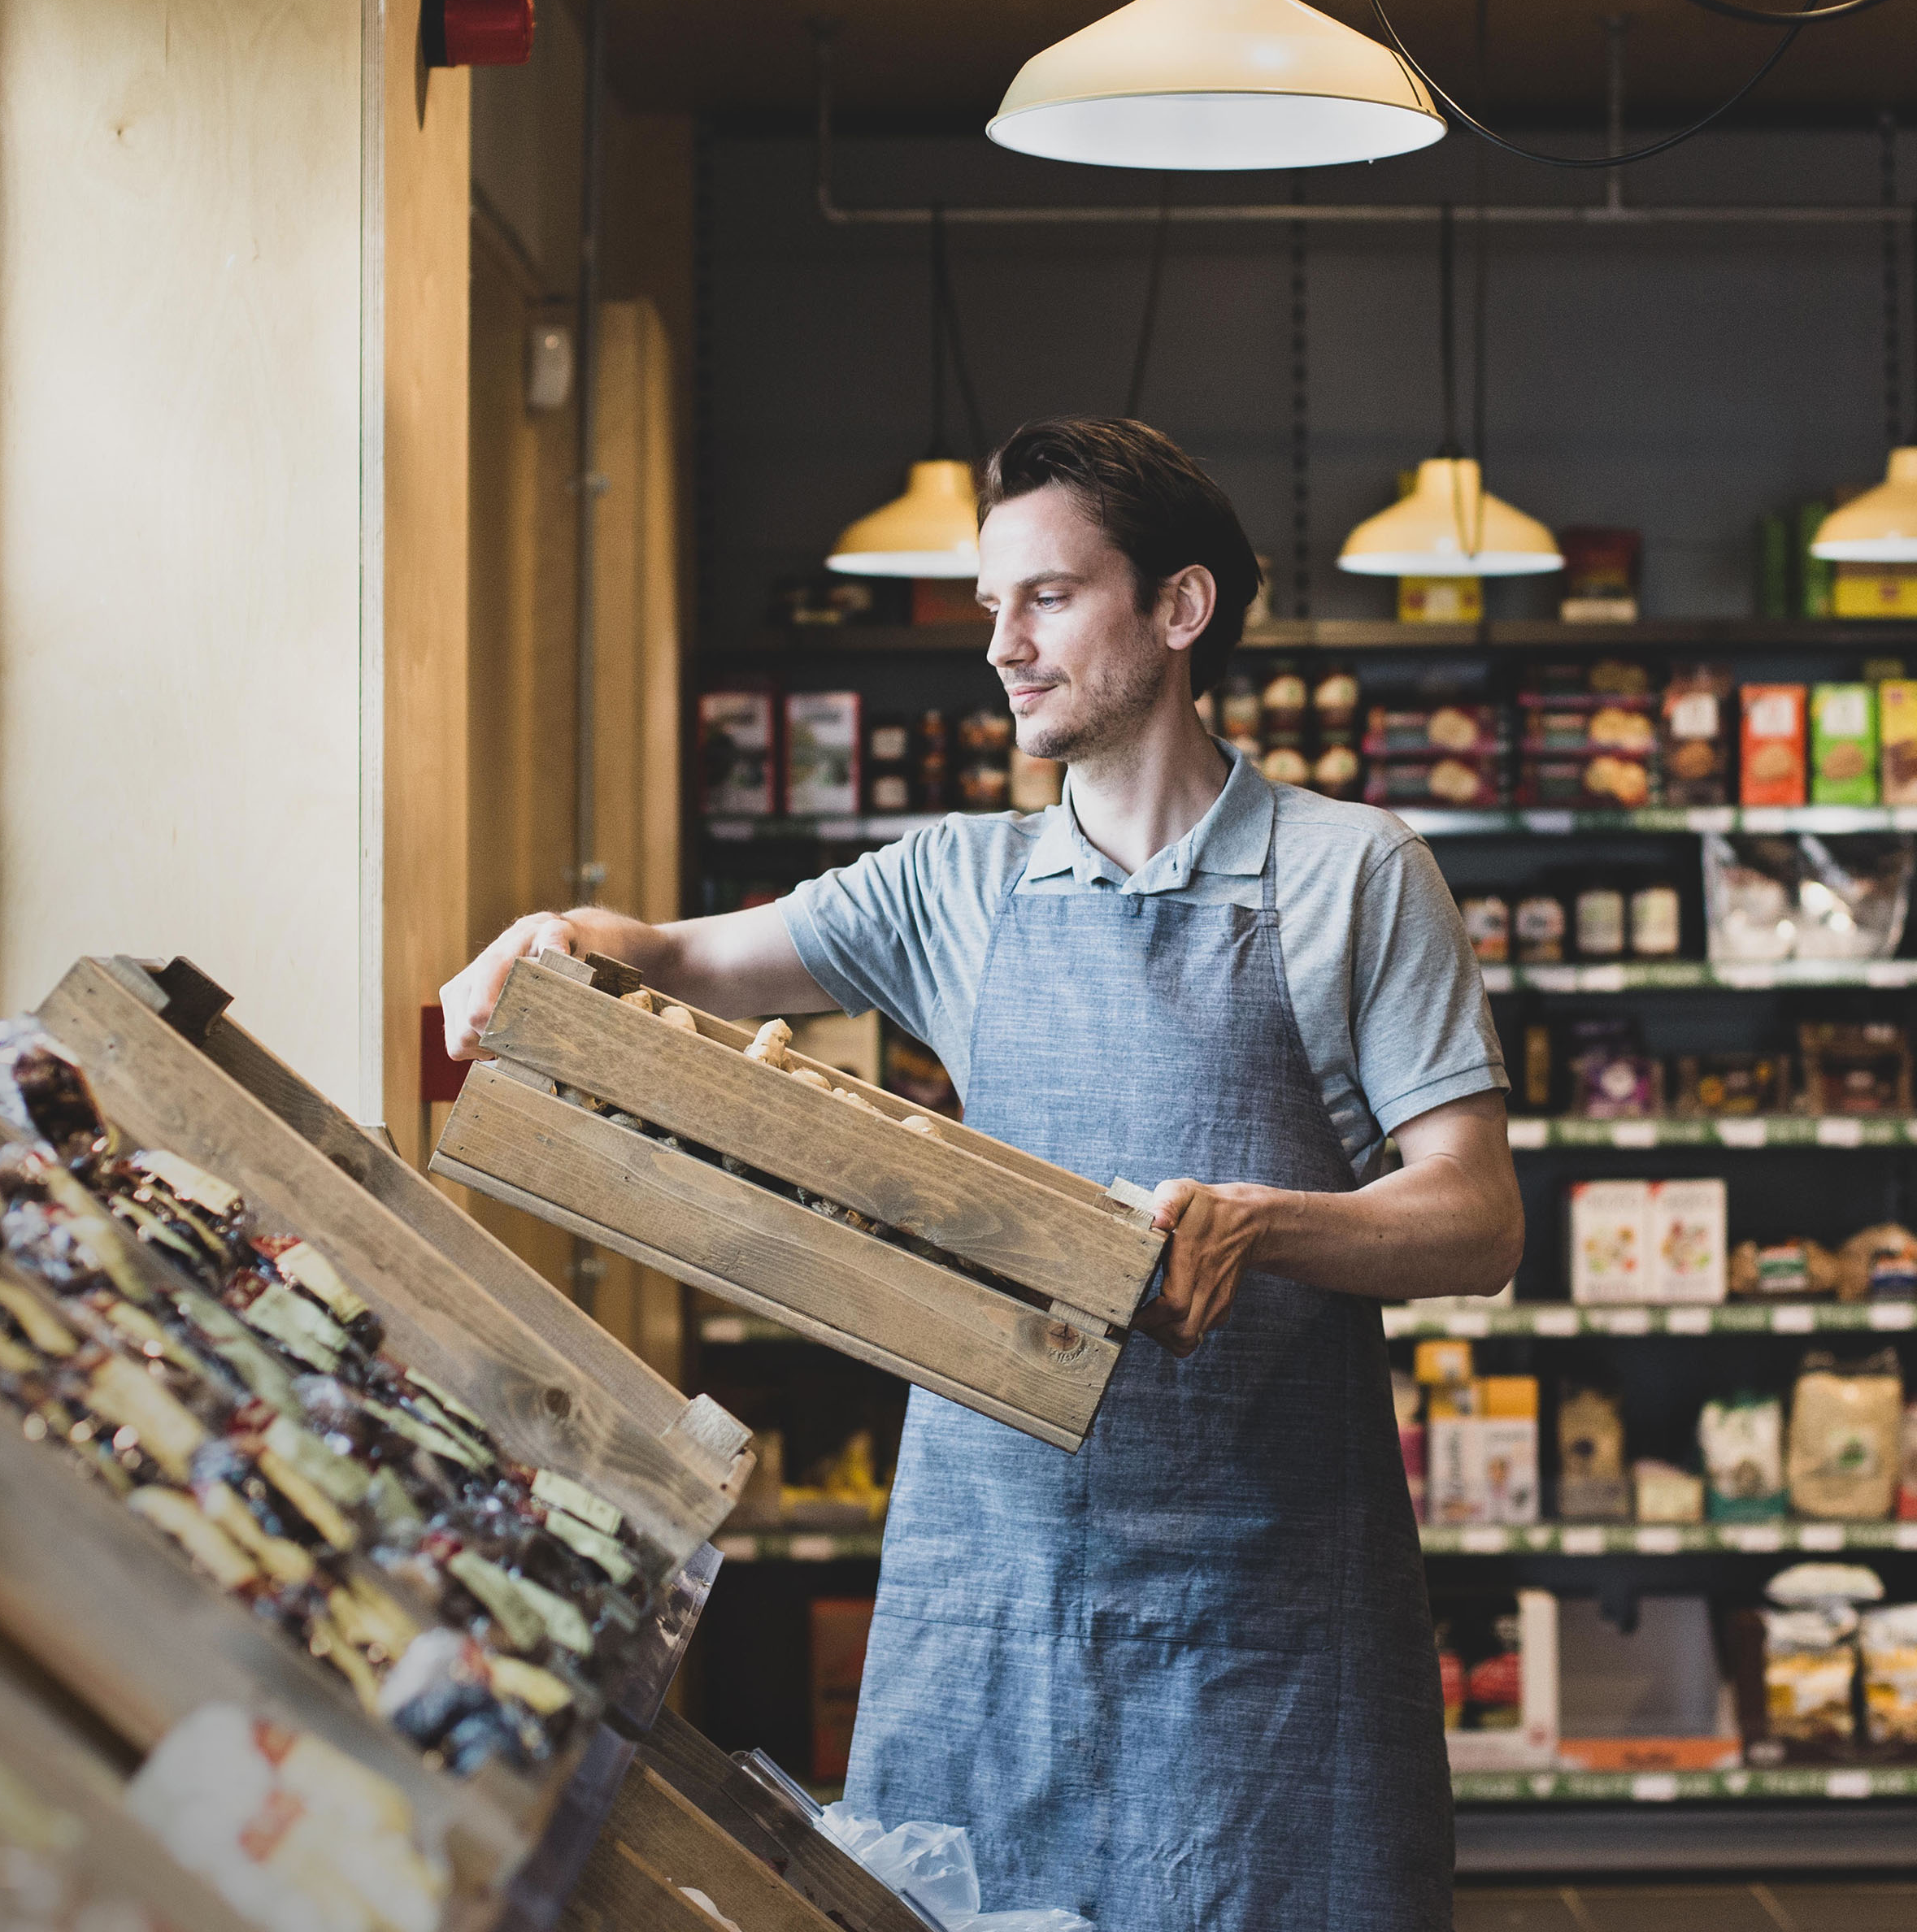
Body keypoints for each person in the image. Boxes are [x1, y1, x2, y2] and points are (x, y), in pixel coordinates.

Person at [441, 416, 1521, 1932]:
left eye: (1049, 600)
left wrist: (1261, 1223)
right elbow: (685, 957)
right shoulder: (954, 881)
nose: (1001, 647)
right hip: (996, 1580)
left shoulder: (1353, 872)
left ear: (1179, 609)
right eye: (989, 606)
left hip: (1269, 1596)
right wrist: (549, 938)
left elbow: (1475, 1214)